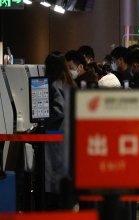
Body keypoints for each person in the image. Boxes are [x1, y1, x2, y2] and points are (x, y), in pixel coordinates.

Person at [43, 51, 76, 210]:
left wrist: (44, 117)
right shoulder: (69, 82)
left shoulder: (55, 84)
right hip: (69, 135)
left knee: (54, 176)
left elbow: (59, 110)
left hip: (57, 135)